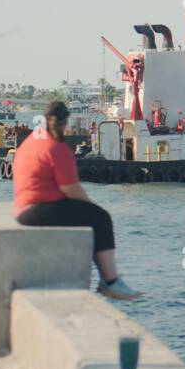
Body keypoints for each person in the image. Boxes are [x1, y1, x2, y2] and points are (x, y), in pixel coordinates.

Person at [12, 101, 140, 300]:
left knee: (87, 214)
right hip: (39, 210)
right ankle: (111, 280)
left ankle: (108, 280)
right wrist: (91, 205)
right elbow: (70, 189)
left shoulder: (32, 141)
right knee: (100, 218)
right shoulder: (57, 148)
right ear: (65, 122)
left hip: (22, 209)